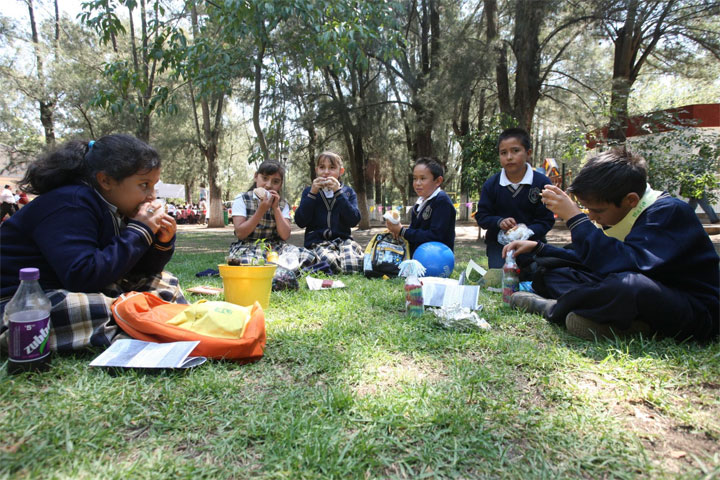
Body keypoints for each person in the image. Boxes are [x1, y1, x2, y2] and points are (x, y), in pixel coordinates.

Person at [506, 147, 719, 342]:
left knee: (628, 285)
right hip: (637, 292)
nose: (592, 217)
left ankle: (555, 309)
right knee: (555, 272)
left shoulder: (669, 212)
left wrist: (575, 218)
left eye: (597, 211)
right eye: (588, 211)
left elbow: (624, 266)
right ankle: (633, 325)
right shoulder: (625, 213)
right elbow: (594, 260)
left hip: (692, 310)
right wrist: (540, 248)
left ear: (630, 200)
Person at [0, 134, 186, 352]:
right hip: (20, 302)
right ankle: (143, 323)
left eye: (153, 186)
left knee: (164, 282)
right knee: (92, 308)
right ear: (105, 181)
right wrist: (139, 231)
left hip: (74, 286)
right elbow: (83, 276)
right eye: (144, 185)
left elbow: (133, 269)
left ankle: (139, 320)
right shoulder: (71, 202)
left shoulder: (115, 207)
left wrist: (161, 243)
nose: (151, 196)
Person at [475, 128, 555, 268]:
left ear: (528, 153)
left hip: (532, 245)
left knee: (534, 276)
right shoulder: (491, 185)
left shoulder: (542, 183)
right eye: (503, 153)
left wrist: (525, 232)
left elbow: (546, 220)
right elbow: (482, 216)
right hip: (499, 246)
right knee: (500, 278)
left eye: (515, 151)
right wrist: (499, 222)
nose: (509, 157)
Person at [294, 151, 364, 274]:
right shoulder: (309, 192)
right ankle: (330, 264)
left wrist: (338, 193)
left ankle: (330, 265)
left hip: (343, 242)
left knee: (355, 263)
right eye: (322, 167)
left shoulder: (348, 192)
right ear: (316, 170)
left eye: (332, 168)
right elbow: (300, 221)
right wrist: (312, 194)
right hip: (317, 243)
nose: (326, 172)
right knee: (328, 259)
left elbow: (354, 220)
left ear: (341, 171)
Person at [228, 160, 296, 265]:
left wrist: (276, 208)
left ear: (280, 185)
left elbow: (285, 235)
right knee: (249, 262)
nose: (268, 185)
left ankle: (277, 266)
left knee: (305, 256)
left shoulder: (283, 204)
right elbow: (240, 234)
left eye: (275, 182)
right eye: (265, 178)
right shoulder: (242, 199)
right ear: (256, 177)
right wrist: (261, 210)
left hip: (275, 248)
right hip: (248, 247)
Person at [385, 157, 456, 255]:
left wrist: (403, 231)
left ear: (438, 181)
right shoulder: (421, 202)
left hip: (435, 258)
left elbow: (435, 236)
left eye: (422, 178)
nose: (417, 183)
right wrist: (398, 231)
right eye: (415, 178)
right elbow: (417, 230)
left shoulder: (442, 201)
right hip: (419, 257)